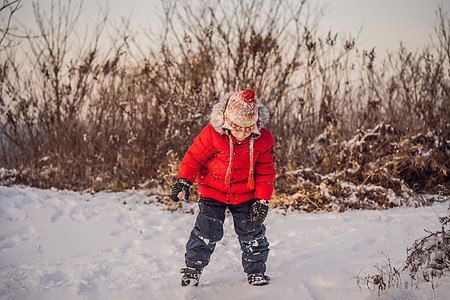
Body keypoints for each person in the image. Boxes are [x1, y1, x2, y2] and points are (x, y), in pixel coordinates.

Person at [170, 89, 276, 287]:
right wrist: (184, 180)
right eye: (238, 128)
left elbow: (266, 172)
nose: (243, 134)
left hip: (246, 193)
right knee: (207, 231)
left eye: (248, 129)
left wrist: (262, 200)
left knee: (252, 232)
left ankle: (256, 271)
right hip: (213, 190)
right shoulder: (212, 134)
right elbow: (193, 158)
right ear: (227, 123)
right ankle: (193, 269)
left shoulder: (263, 139)